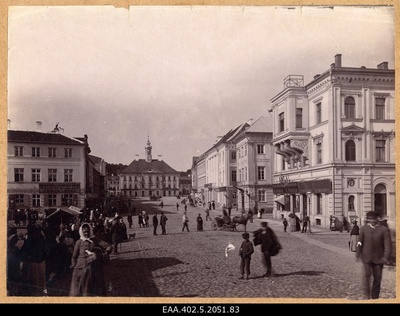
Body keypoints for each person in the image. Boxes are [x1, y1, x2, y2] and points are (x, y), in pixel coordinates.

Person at [356, 211, 391, 300]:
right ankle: (366, 295)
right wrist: (358, 252)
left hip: (379, 258)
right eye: (369, 219)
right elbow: (360, 241)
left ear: (377, 219)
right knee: (367, 275)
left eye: (372, 219)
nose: (371, 220)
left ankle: (375, 296)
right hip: (366, 257)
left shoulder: (383, 230)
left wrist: (385, 257)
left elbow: (388, 244)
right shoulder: (364, 229)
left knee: (377, 278)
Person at [70, 223, 112, 296]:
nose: (86, 233)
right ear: (81, 232)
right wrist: (74, 266)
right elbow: (74, 256)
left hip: (92, 268)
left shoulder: (95, 240)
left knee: (91, 288)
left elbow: (108, 246)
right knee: (78, 289)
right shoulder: (79, 242)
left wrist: (104, 253)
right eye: (84, 232)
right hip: (80, 268)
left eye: (88, 231)